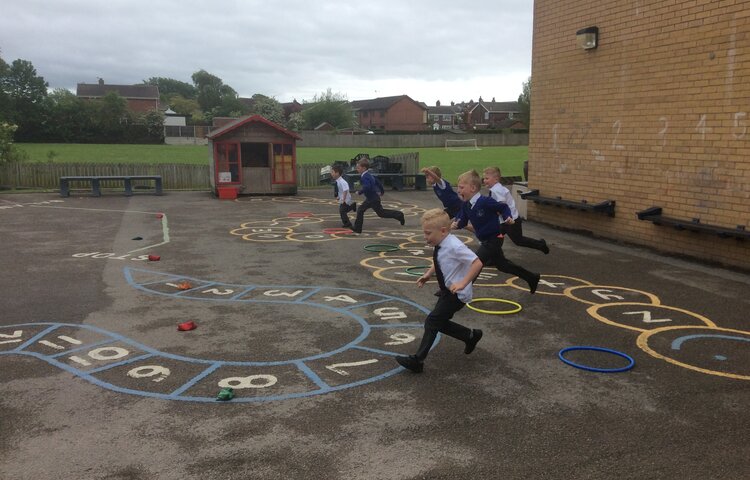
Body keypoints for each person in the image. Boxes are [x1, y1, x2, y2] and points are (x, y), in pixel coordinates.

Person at [395, 208, 484, 373]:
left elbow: (477, 263)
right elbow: (439, 260)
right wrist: (428, 274)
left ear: (443, 231)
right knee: (439, 323)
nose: (425, 237)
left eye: (428, 233)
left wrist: (463, 283)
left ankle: (418, 360)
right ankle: (470, 336)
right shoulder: (442, 243)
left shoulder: (455, 246)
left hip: (456, 293)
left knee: (432, 322)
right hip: (447, 292)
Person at [453, 169, 541, 294]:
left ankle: (459, 290)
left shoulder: (485, 201)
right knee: (503, 265)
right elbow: (462, 219)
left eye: (461, 187)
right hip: (485, 240)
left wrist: (507, 217)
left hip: (494, 239)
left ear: (472, 188)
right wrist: (456, 224)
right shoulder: (466, 205)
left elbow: (503, 207)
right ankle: (531, 277)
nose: (458, 190)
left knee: (476, 263)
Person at [483, 166, 549, 254]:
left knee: (518, 240)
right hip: (504, 221)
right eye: (484, 178)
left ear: (496, 179)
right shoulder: (496, 189)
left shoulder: (497, 191)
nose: (484, 180)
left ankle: (540, 244)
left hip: (510, 221)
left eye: (487, 178)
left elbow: (501, 206)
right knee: (494, 238)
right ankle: (493, 257)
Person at [352, 157, 405, 233]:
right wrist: (382, 191)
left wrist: (359, 192)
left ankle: (399, 215)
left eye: (358, 168)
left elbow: (367, 187)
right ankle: (357, 228)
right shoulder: (369, 175)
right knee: (362, 210)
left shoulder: (364, 177)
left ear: (363, 168)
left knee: (380, 213)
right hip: (371, 198)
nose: (357, 169)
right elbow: (378, 182)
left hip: (372, 199)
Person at [331, 164, 356, 228]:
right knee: (343, 210)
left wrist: (343, 199)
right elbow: (341, 191)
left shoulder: (342, 181)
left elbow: (345, 190)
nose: (331, 174)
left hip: (346, 198)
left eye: (332, 172)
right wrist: (339, 197)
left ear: (337, 173)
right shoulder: (338, 181)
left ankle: (348, 223)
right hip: (343, 198)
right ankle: (352, 205)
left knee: (342, 211)